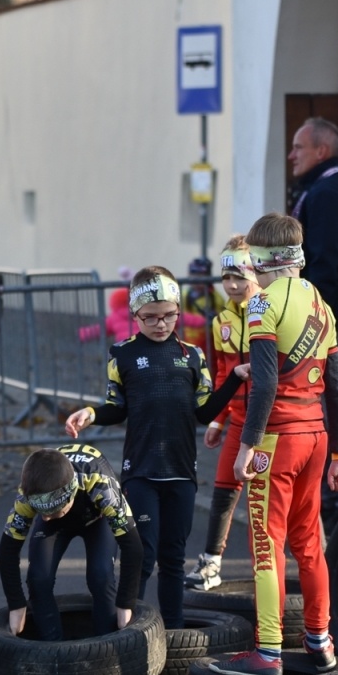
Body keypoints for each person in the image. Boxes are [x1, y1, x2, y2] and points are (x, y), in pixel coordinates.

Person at [213, 213, 338, 675]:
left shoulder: (261, 306)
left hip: (277, 439)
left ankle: (269, 651)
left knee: (266, 545)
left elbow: (266, 383)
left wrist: (247, 445)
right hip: (317, 438)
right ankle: (320, 639)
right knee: (310, 542)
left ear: (263, 260)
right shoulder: (321, 304)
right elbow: (337, 387)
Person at [64, 266, 244, 632]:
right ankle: (134, 632)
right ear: (135, 315)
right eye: (151, 318)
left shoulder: (193, 356)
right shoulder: (123, 354)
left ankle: (174, 633)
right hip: (142, 471)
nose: (161, 324)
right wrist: (91, 413)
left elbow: (204, 410)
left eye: (169, 316)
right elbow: (117, 407)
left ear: (178, 310)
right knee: (141, 556)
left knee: (174, 559)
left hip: (182, 471)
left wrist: (235, 381)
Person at [288, 117, 338, 525]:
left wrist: (308, 318)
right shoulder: (321, 191)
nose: (291, 155)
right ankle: (333, 492)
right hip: (325, 319)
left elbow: (324, 264)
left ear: (321, 151)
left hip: (328, 323)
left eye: (298, 147)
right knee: (325, 400)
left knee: (337, 402)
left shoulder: (330, 195)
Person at [0, 445, 143, 641]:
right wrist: (16, 604)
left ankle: (108, 644)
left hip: (97, 519)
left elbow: (133, 546)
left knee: (101, 577)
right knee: (38, 578)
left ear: (71, 493)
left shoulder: (101, 485)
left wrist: (126, 603)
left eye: (52, 510)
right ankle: (50, 650)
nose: (46, 518)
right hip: (59, 524)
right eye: (40, 511)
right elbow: (7, 551)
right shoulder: (28, 496)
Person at [187, 238, 260, 590]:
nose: (232, 285)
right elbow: (222, 374)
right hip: (238, 421)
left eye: (239, 276)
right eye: (226, 277)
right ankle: (211, 565)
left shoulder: (268, 310)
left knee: (274, 502)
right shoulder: (220, 322)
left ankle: (309, 561)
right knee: (223, 491)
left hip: (270, 423)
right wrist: (218, 419)